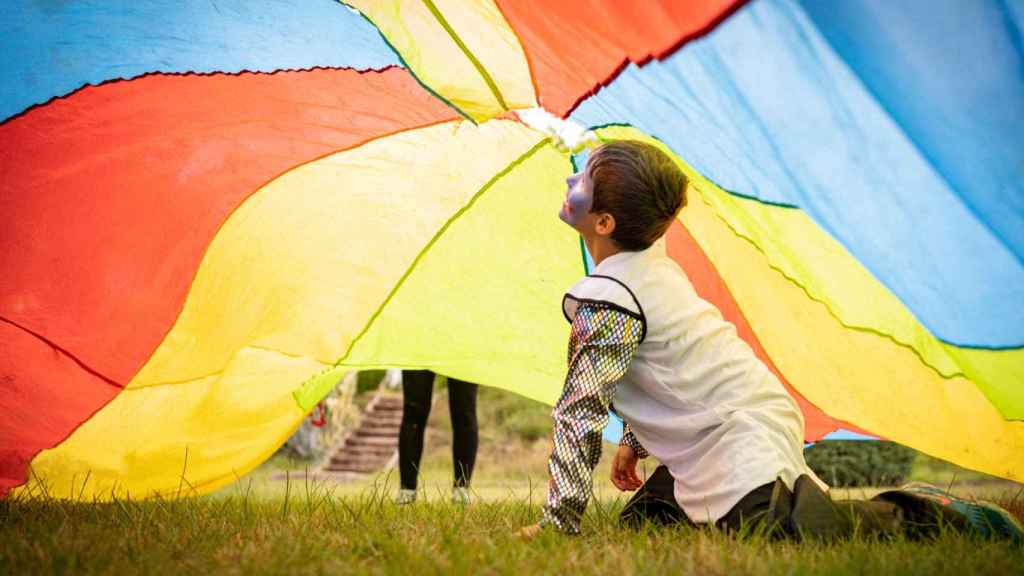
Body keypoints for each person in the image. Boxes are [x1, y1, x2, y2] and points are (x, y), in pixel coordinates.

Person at [518, 140, 1022, 541]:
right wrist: (632, 441)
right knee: (646, 528)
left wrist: (560, 520)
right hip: (722, 426)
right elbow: (662, 363)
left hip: (738, 427)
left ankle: (937, 512)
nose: (572, 179)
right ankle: (700, 494)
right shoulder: (646, 265)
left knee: (782, 531)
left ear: (604, 223)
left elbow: (580, 410)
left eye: (584, 177)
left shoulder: (610, 296)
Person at [394, 370, 478, 505]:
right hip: (419, 349)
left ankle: (461, 490)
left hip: (464, 350)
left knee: (465, 413)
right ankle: (407, 490)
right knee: (413, 411)